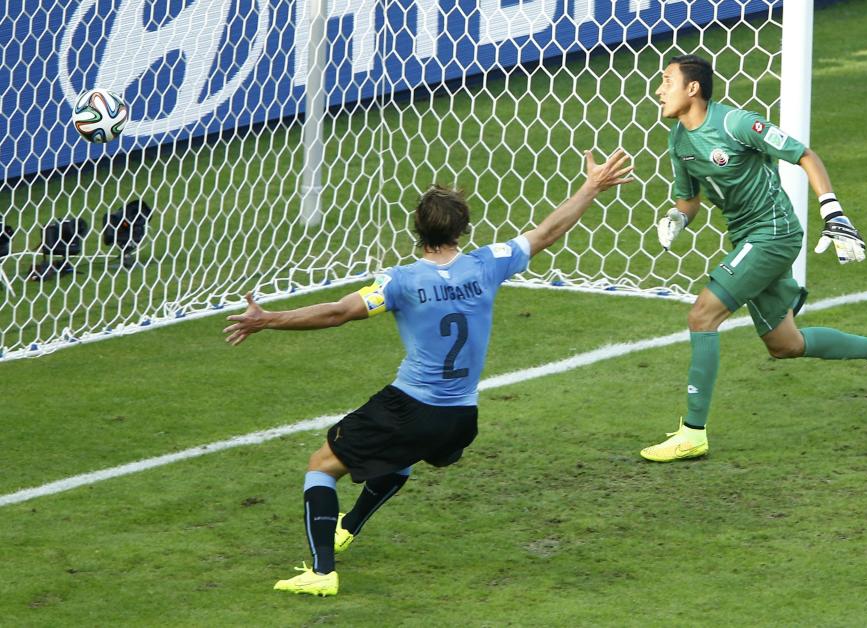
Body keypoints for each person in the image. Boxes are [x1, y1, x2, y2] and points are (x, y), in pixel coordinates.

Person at [224, 149, 633, 596]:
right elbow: (547, 232)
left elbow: (339, 312)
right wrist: (592, 186)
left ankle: (321, 573)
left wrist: (269, 319)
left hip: (411, 405)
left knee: (321, 466)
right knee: (400, 454)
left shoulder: (400, 281)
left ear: (417, 230)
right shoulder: (488, 263)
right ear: (462, 230)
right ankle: (350, 526)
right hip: (461, 419)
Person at [642, 54, 867, 462]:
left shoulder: (735, 124)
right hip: (746, 238)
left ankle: (693, 432)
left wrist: (832, 211)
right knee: (785, 344)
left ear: (692, 88)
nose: (659, 90)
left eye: (666, 81)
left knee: (702, 314)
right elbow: (688, 200)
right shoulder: (679, 141)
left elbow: (804, 155)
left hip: (774, 232)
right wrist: (677, 218)